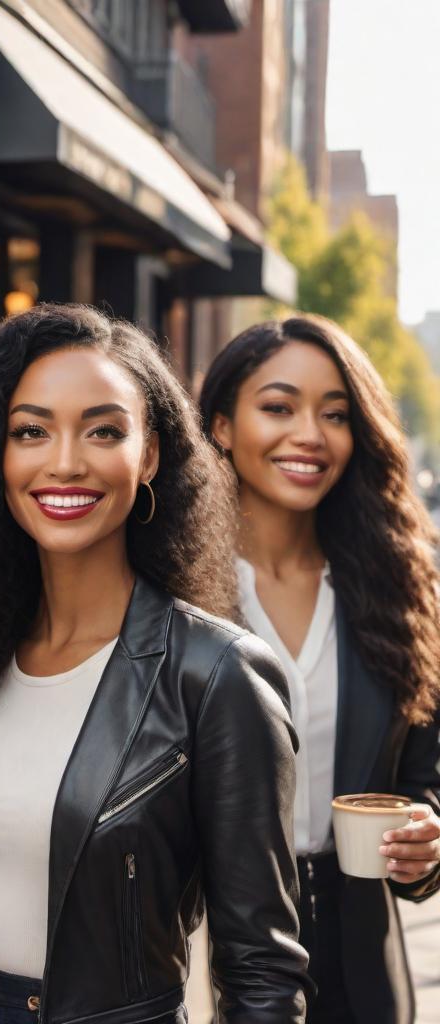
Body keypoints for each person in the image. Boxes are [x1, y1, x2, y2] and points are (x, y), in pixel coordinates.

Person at [0, 303, 311, 1023]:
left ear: (148, 455)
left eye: (103, 431)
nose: (64, 460)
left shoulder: (216, 676)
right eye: (31, 431)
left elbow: (263, 975)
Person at [199, 315, 440, 1024]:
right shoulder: (169, 593)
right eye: (278, 407)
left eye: (335, 414)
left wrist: (426, 842)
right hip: (211, 959)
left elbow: (426, 772)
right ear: (221, 426)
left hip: (362, 963)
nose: (310, 434)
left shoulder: (397, 589)